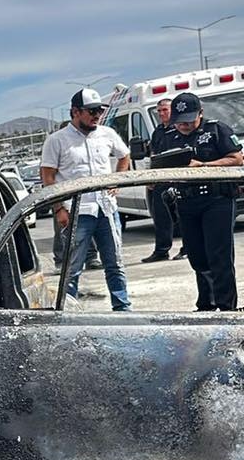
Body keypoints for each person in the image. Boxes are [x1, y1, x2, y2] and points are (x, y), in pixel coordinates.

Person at [40, 88, 132, 310]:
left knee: (115, 263)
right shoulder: (57, 140)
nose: (96, 115)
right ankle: (68, 311)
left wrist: (116, 180)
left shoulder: (107, 134)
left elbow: (124, 155)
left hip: (107, 209)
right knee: (72, 267)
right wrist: (59, 209)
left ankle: (122, 308)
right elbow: (48, 176)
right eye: (91, 111)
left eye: (99, 111)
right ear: (75, 112)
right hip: (77, 212)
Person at [160, 92, 243, 311]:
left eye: (189, 120)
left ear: (201, 113)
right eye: (180, 121)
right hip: (186, 202)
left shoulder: (216, 130)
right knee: (197, 256)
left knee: (219, 256)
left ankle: (226, 308)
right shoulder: (169, 137)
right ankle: (206, 304)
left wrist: (205, 166)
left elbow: (236, 159)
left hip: (216, 199)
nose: (184, 125)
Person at [142, 97, 186, 262]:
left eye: (165, 110)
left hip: (178, 180)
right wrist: (151, 177)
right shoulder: (158, 131)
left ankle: (186, 248)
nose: (161, 114)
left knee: (182, 216)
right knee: (161, 217)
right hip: (161, 180)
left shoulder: (181, 128)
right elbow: (154, 155)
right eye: (159, 111)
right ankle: (161, 251)